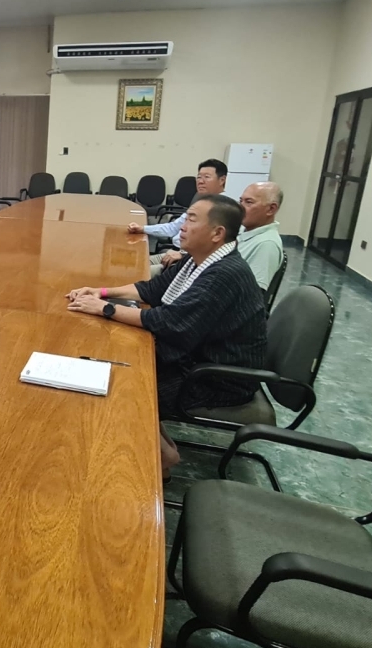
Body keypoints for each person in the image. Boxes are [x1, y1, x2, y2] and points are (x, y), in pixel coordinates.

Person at [68, 195, 266, 473]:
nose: (182, 225)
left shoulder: (224, 273)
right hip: (196, 358)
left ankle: (161, 457)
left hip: (218, 376)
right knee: (118, 368)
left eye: (193, 219)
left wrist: (105, 309)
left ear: (217, 233)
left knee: (122, 391)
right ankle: (161, 446)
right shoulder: (199, 259)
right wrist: (99, 292)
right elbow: (152, 289)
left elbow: (170, 323)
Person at [155, 181, 285, 290]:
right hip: (193, 271)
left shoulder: (266, 245)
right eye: (241, 201)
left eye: (249, 202)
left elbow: (252, 294)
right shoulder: (243, 230)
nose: (241, 207)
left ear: (271, 209)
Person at [128, 159, 227, 278]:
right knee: (131, 263)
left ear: (222, 180)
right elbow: (173, 227)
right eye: (199, 177)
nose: (201, 181)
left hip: (186, 260)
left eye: (207, 177)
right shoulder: (201, 202)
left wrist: (184, 255)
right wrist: (142, 228)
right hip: (174, 252)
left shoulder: (224, 210)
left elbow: (217, 248)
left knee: (136, 273)